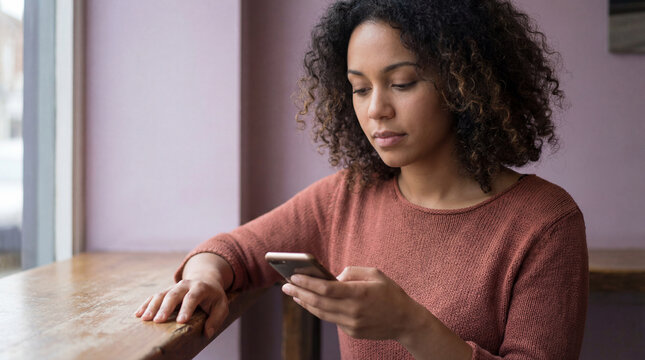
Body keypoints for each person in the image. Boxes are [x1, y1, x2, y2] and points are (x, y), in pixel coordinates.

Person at [135, 0, 588, 359]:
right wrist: (205, 279)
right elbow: (232, 250)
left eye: (403, 82)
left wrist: (410, 325)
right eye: (360, 87)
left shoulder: (546, 223)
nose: (376, 110)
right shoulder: (348, 196)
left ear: (465, 83)